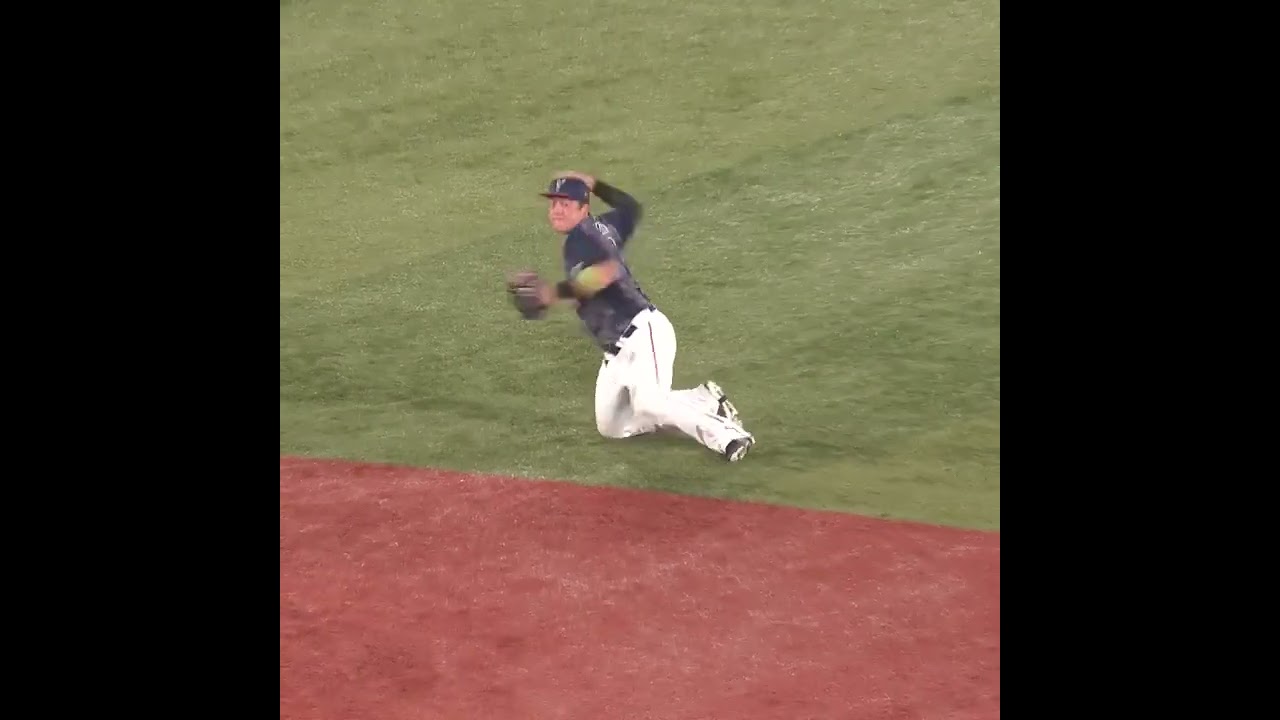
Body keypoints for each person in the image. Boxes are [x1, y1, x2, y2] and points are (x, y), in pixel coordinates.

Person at [511, 171, 756, 462]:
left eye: (565, 204)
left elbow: (607, 273)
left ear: (583, 207)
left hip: (641, 332)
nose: (556, 210)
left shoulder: (581, 239)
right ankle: (704, 400)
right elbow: (630, 208)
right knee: (612, 426)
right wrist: (596, 184)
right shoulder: (604, 227)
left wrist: (552, 294)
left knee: (650, 405)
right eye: (553, 204)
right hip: (615, 350)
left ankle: (729, 436)